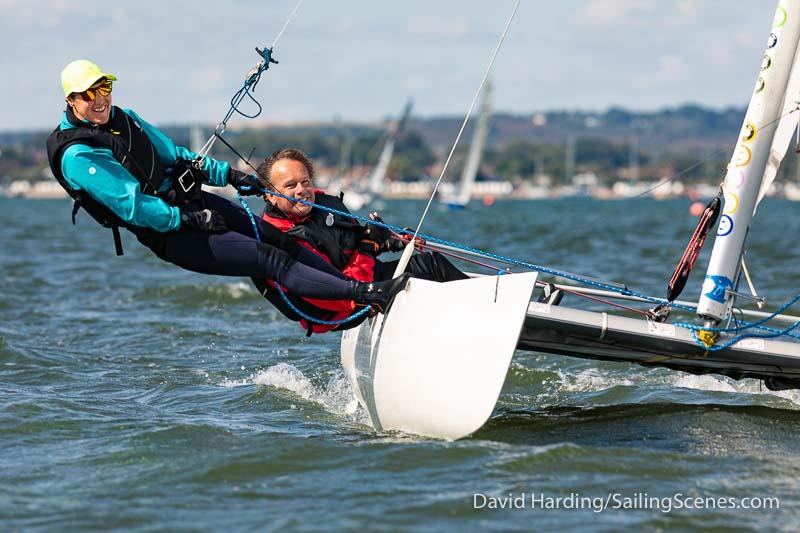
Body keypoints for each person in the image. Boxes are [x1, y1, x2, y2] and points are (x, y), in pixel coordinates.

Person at [46, 59, 408, 313]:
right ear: (72, 101)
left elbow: (176, 155)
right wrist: (187, 221)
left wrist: (231, 177)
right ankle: (365, 294)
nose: (100, 99)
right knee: (270, 259)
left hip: (195, 202)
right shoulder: (79, 156)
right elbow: (134, 207)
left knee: (278, 238)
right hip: (170, 232)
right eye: (88, 94)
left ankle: (355, 290)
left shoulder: (125, 118)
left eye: (103, 87)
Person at [252, 148, 468, 335]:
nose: (302, 190)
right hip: (339, 309)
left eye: (305, 181)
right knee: (426, 269)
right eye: (291, 185)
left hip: (359, 282)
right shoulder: (280, 239)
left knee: (431, 263)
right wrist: (368, 245)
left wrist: (392, 241)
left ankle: (479, 307)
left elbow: (354, 240)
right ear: (270, 195)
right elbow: (340, 292)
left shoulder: (321, 204)